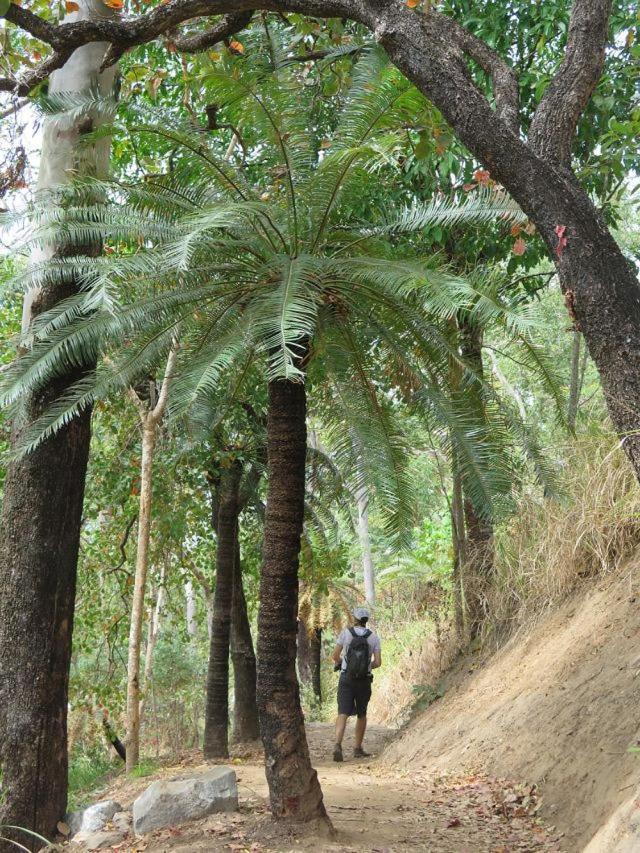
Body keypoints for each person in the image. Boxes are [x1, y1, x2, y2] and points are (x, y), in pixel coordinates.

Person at [331, 606, 381, 762]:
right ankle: (357, 749)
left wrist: (343, 664)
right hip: (364, 680)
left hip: (346, 678)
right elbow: (378, 663)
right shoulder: (373, 637)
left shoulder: (346, 633)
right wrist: (366, 666)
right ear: (366, 621)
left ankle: (338, 745)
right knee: (362, 714)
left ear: (354, 619)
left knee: (343, 712)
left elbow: (335, 656)